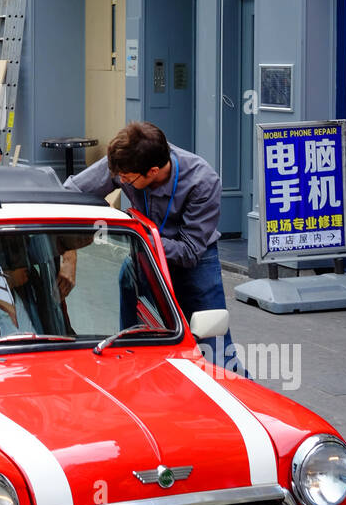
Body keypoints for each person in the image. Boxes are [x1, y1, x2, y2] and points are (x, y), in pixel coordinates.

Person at [64, 121, 240, 369]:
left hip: (194, 260)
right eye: (118, 177)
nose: (120, 181)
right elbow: (72, 191)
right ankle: (130, 362)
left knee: (214, 348)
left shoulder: (202, 181)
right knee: (132, 328)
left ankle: (238, 395)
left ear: (153, 171)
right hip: (144, 250)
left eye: (126, 179)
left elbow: (189, 251)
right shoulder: (128, 159)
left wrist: (133, 234)